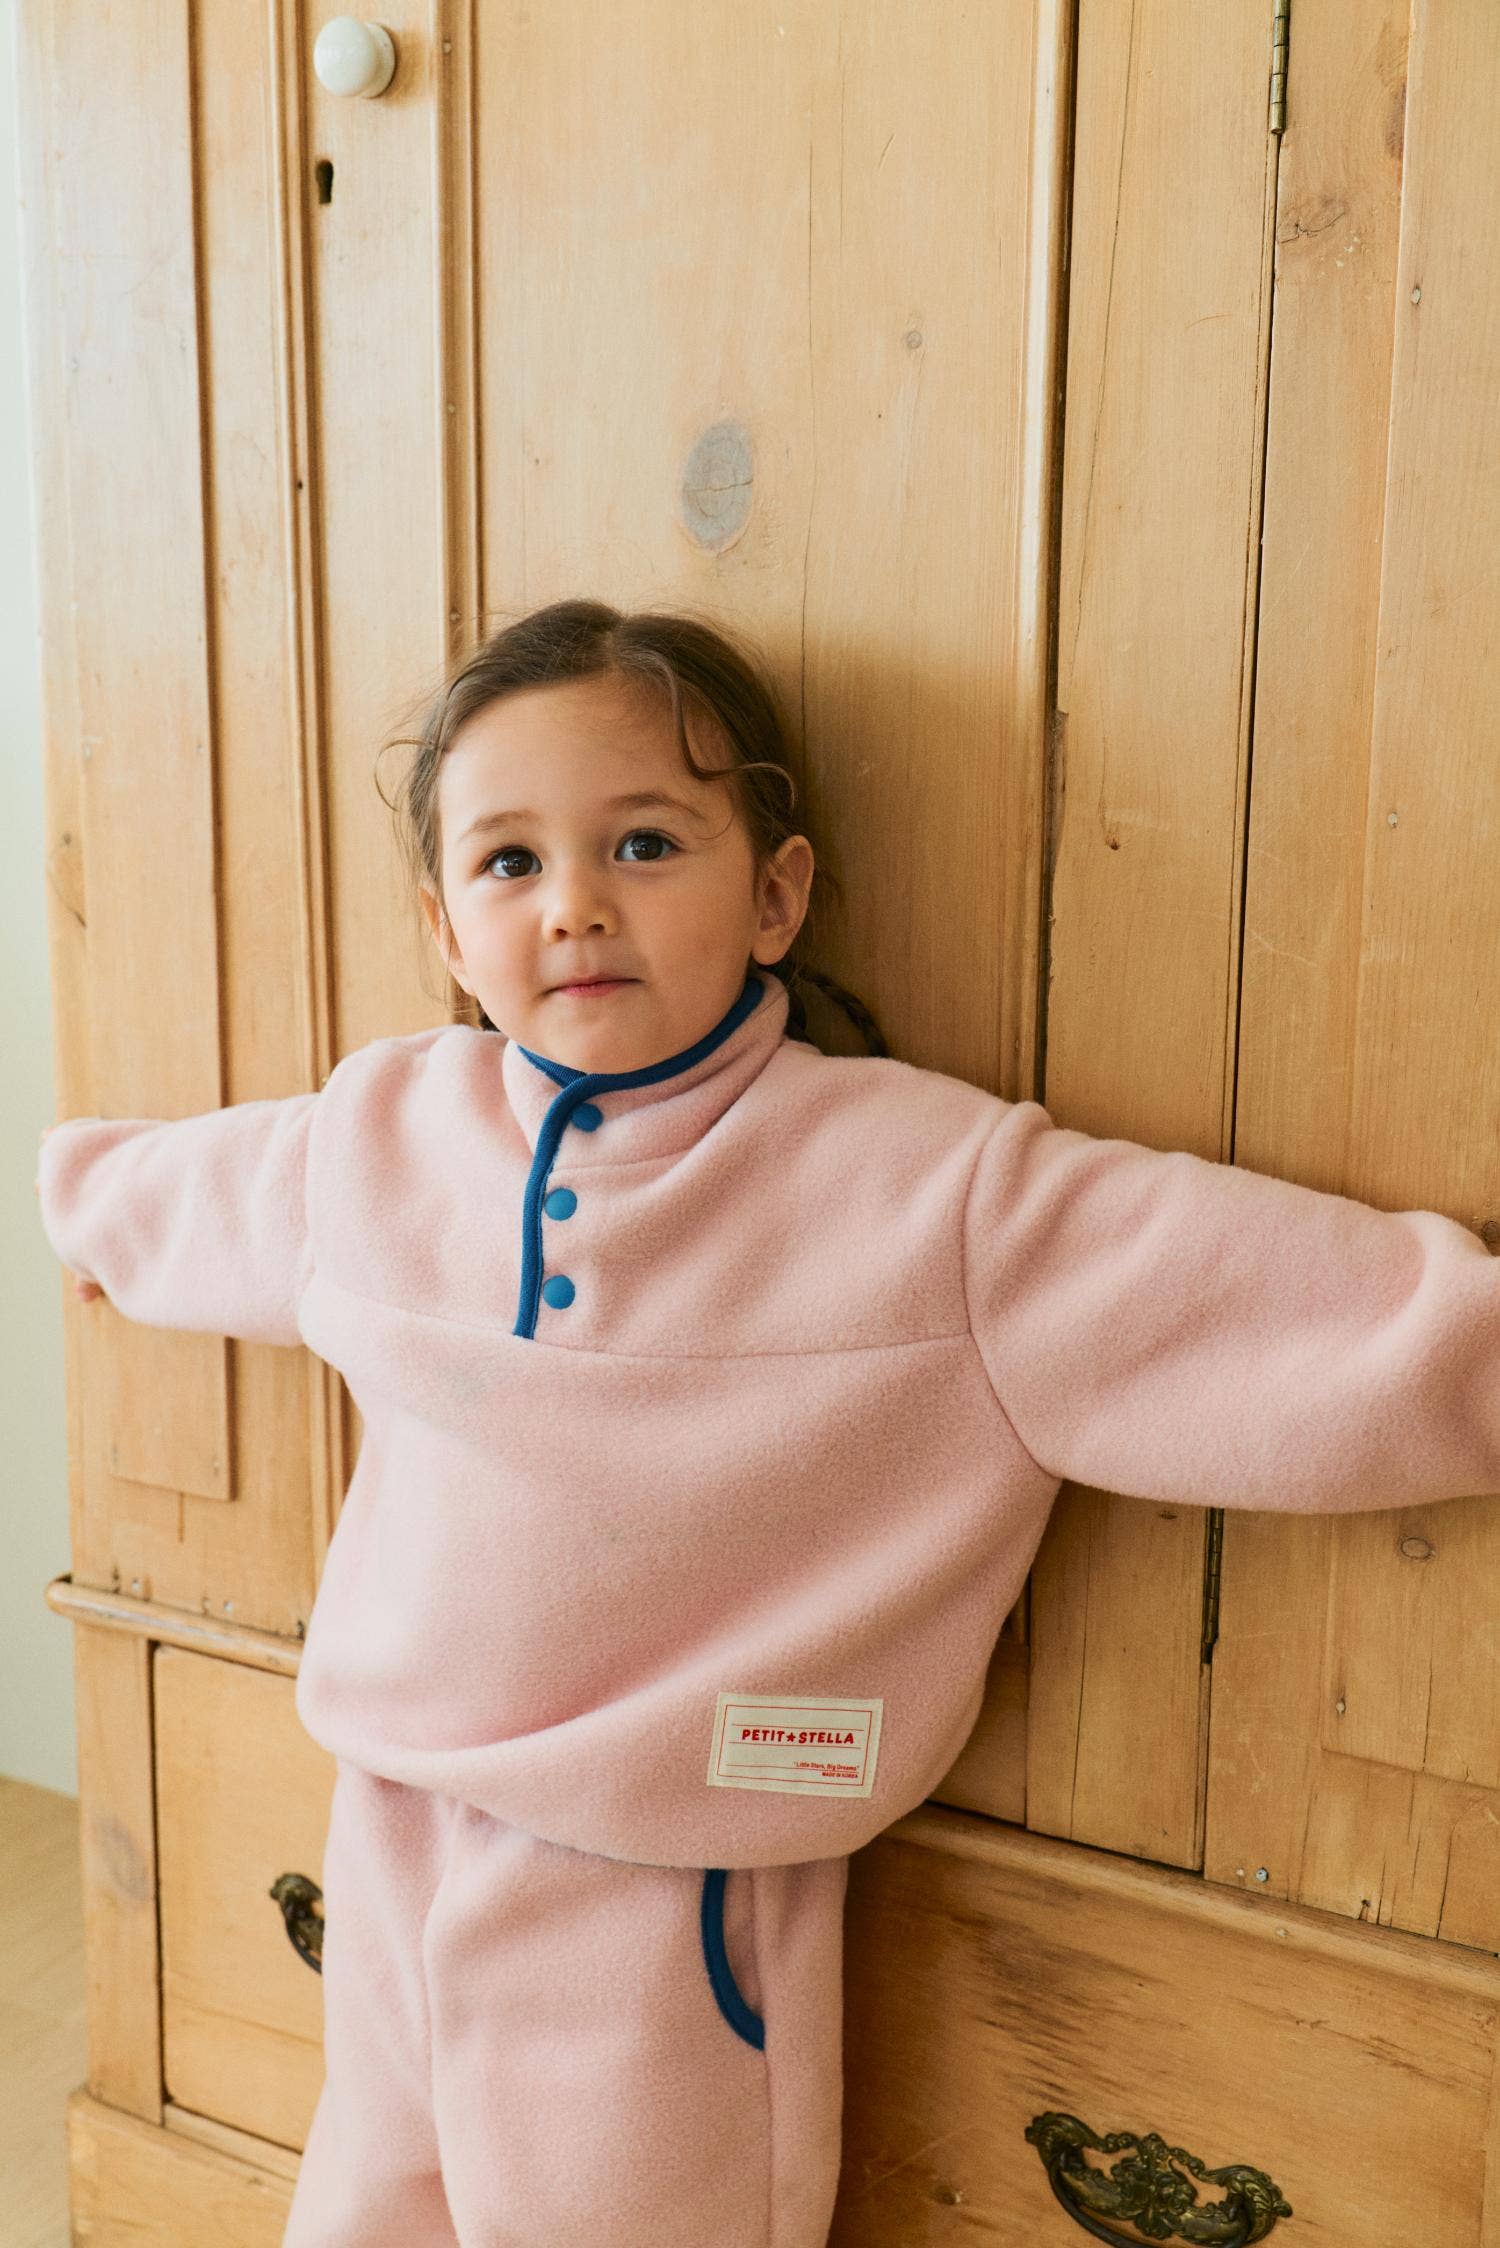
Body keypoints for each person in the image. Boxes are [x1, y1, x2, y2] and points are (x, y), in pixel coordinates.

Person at [35, 598, 1500, 2248]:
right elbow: (194, 1193)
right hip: (389, 1824)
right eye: (510, 863)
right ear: (447, 929)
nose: (576, 904)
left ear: (777, 894)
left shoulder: (927, 1193)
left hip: (669, 1892)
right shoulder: (382, 1131)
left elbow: (1272, 1305)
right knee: (370, 2212)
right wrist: (90, 1217)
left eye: (645, 843)